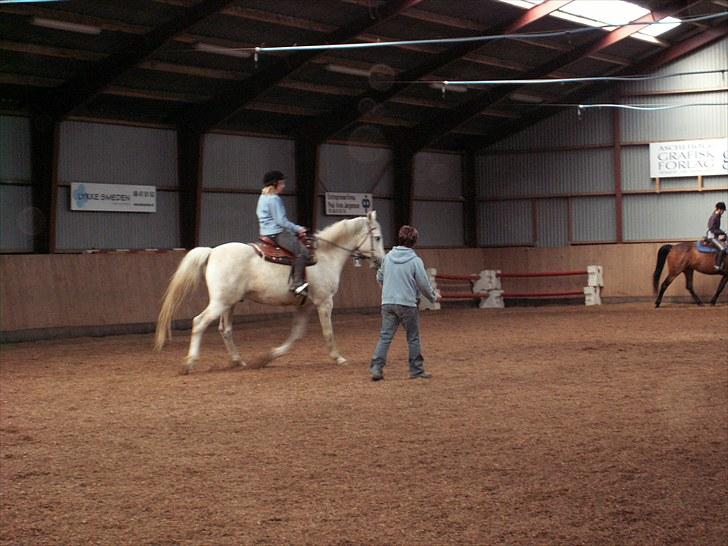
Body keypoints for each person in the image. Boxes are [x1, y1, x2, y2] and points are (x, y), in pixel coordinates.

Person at [370, 225, 439, 382]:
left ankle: (376, 367)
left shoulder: (387, 258)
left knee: (385, 337)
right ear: (414, 241)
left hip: (387, 303)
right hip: (407, 304)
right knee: (413, 337)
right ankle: (416, 370)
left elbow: (379, 277)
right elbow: (423, 284)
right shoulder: (415, 261)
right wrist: (433, 297)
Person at [256, 170, 310, 295]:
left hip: (265, 232)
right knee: (302, 252)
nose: (283, 186)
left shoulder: (263, 197)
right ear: (274, 184)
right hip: (277, 233)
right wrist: (298, 229)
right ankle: (297, 284)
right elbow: (281, 221)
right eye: (281, 183)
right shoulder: (274, 199)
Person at [706, 201, 727, 271]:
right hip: (711, 237)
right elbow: (712, 229)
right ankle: (717, 265)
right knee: (722, 248)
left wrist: (723, 233)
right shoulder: (714, 217)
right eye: (723, 210)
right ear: (720, 209)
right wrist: (722, 232)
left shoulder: (718, 216)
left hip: (715, 236)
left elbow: (716, 228)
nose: (723, 212)